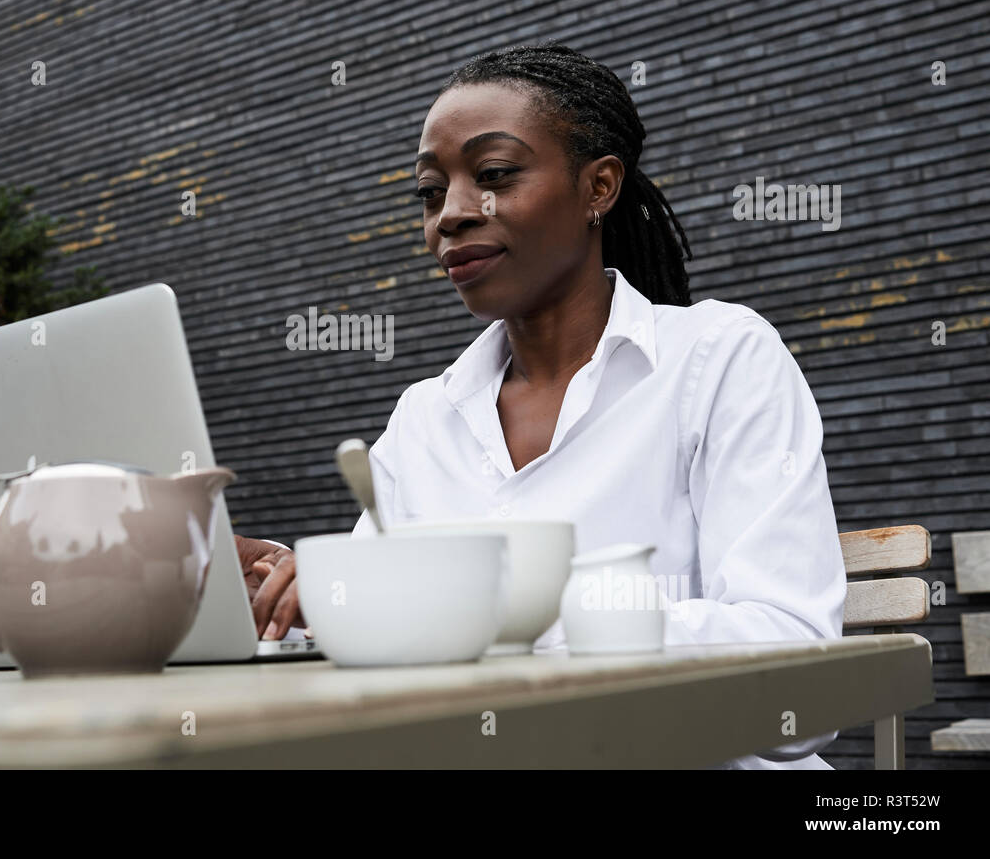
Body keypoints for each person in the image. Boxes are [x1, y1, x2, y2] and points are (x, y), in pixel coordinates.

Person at [235, 41, 847, 768]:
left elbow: (801, 688)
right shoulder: (425, 418)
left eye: (493, 175)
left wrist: (486, 609)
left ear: (599, 187)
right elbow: (384, 651)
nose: (451, 216)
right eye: (431, 193)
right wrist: (292, 597)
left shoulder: (720, 360)